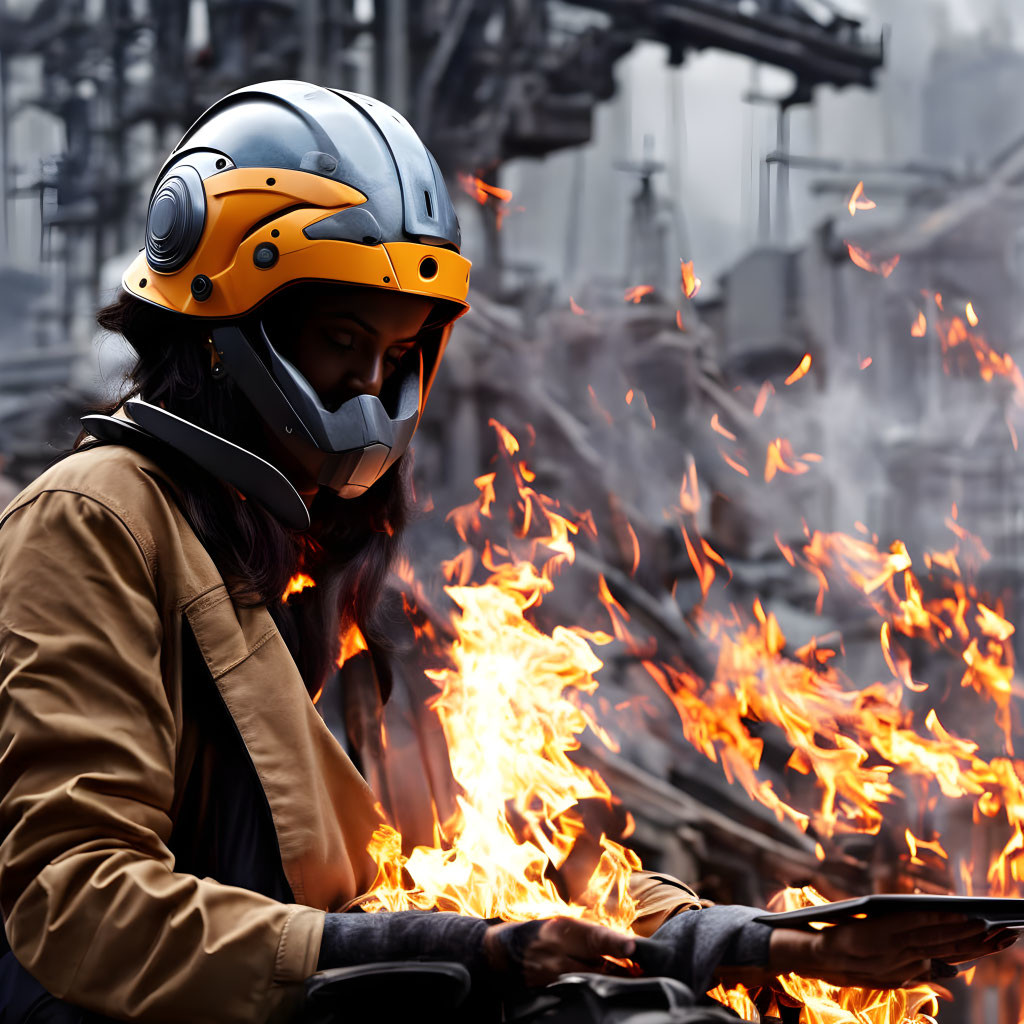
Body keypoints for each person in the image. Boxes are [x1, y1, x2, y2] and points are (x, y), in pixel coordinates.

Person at [0, 81, 1013, 1024]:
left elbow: (529, 858)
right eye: (340, 342)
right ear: (224, 325)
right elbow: (76, 901)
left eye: (399, 356)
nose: (368, 391)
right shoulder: (98, 523)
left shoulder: (345, 566)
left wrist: (756, 938)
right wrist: (455, 949)